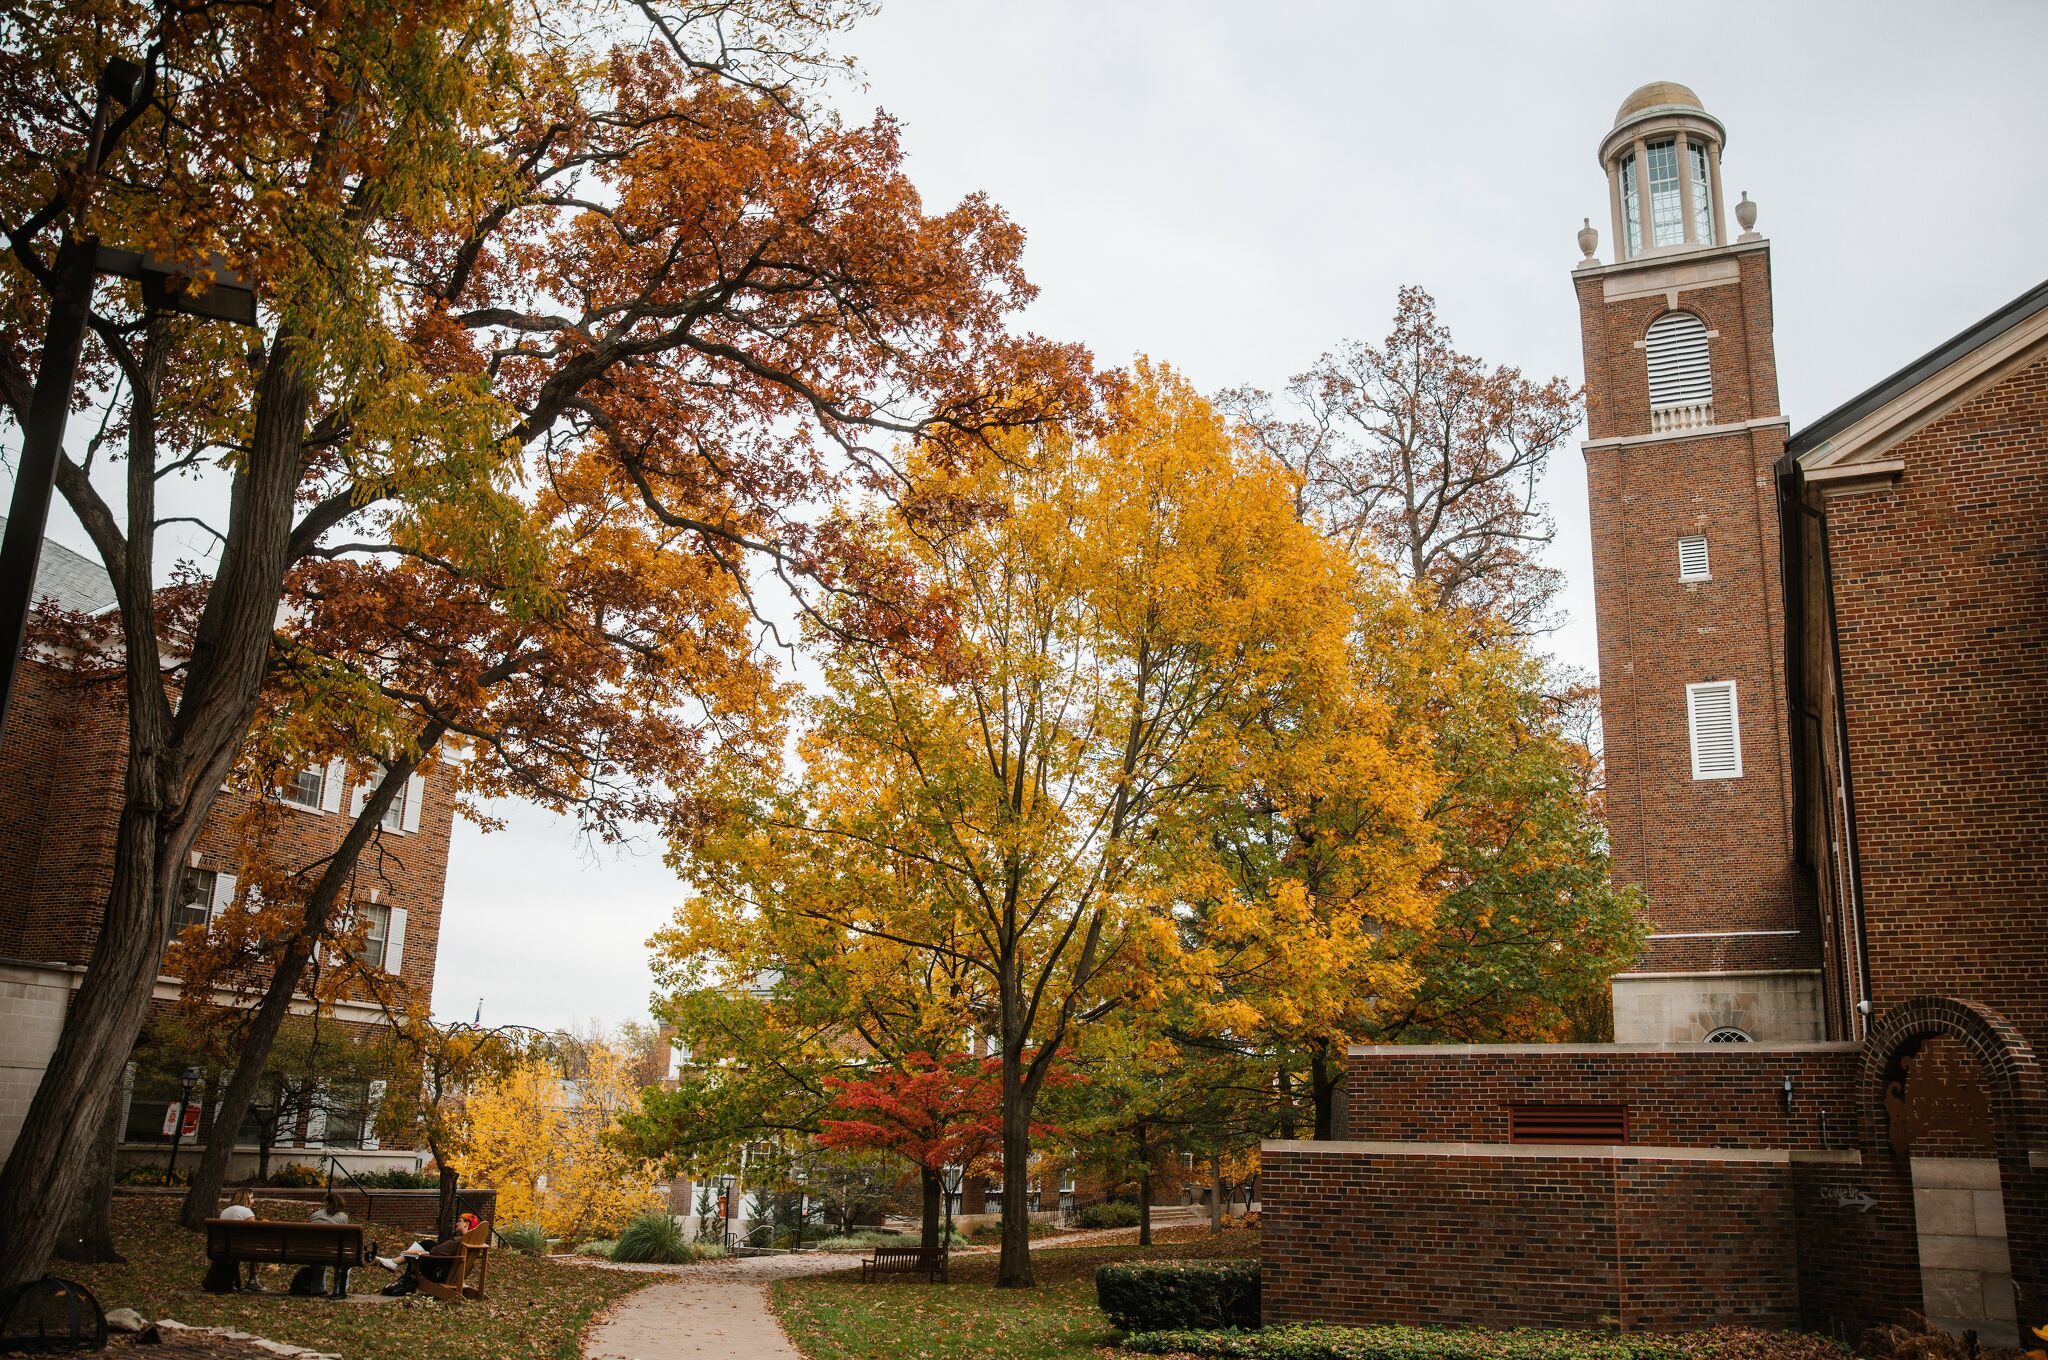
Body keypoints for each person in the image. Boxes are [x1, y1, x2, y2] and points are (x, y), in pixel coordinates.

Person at [294, 1193, 354, 1296]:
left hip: (312, 1252)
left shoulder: (315, 1215)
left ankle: (317, 1288)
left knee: (319, 1258)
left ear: (326, 1202)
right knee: (343, 1263)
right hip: (333, 1253)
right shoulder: (343, 1217)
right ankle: (338, 1290)